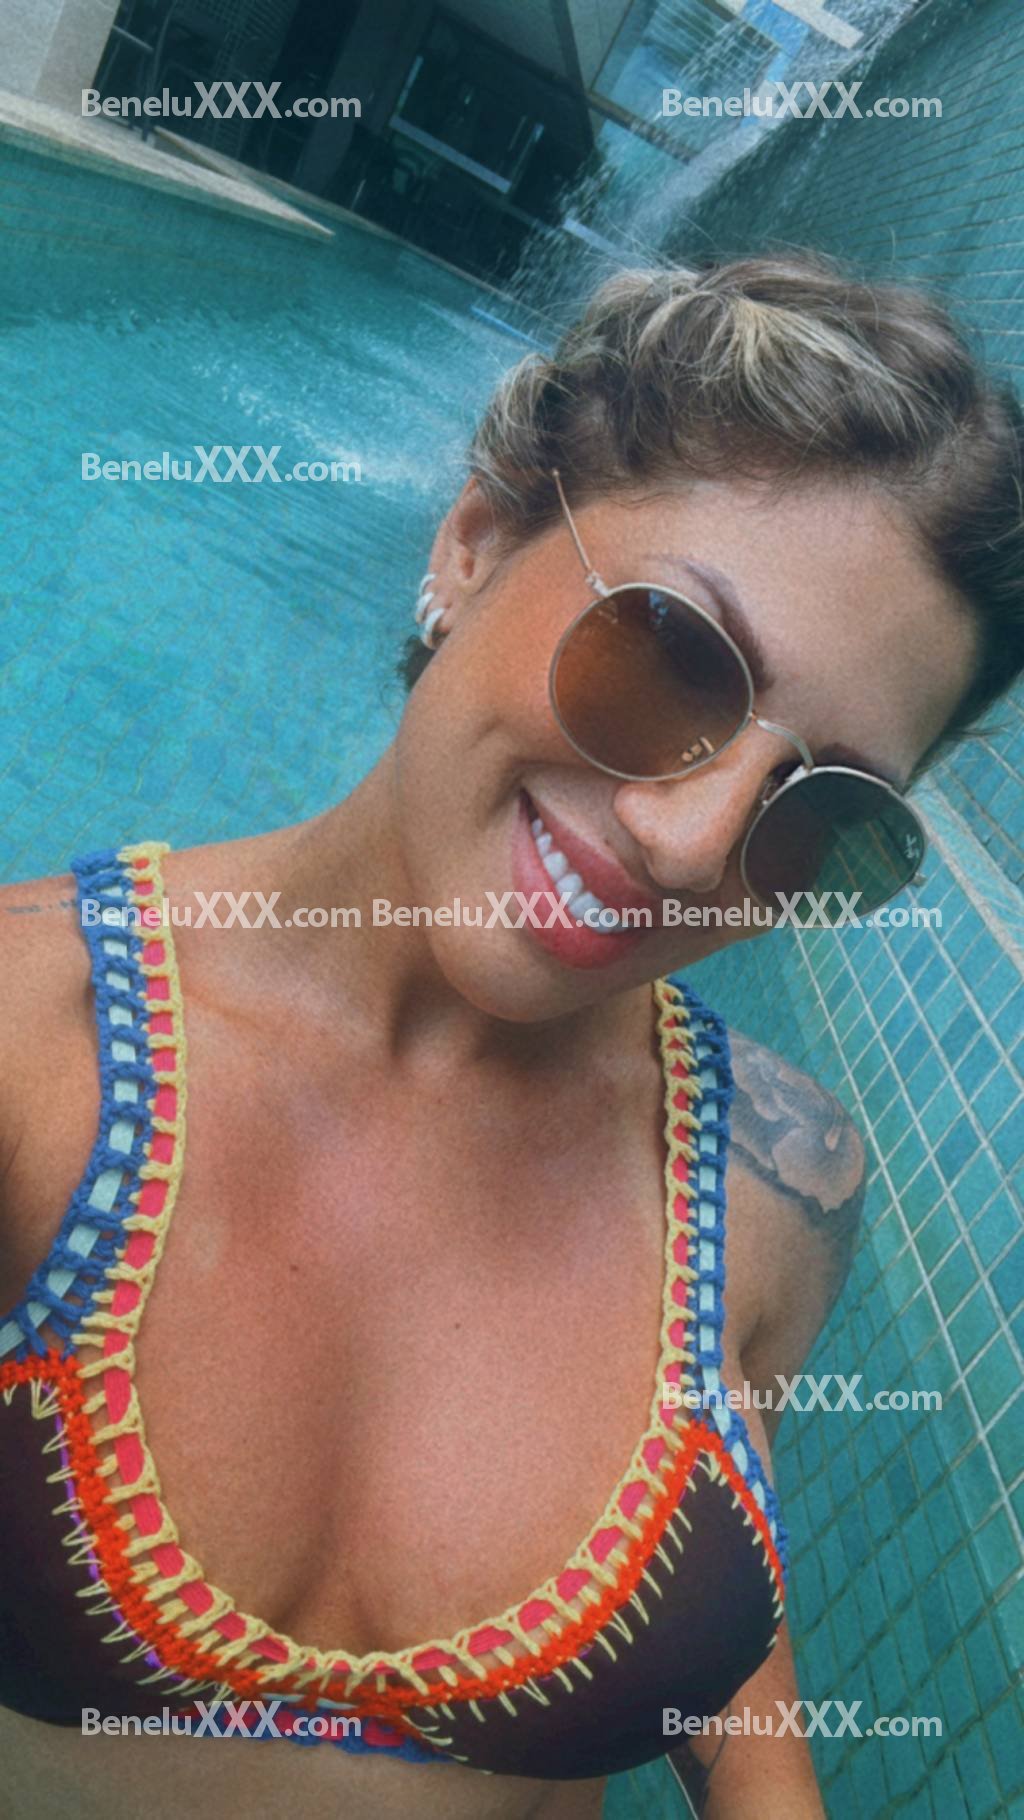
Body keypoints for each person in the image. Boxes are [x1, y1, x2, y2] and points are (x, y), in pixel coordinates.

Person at [1, 253, 1021, 1820]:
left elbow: (693, 1564)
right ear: (473, 543)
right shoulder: (36, 1054)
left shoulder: (777, 1187)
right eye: (672, 654)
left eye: (820, 810)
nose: (691, 843)